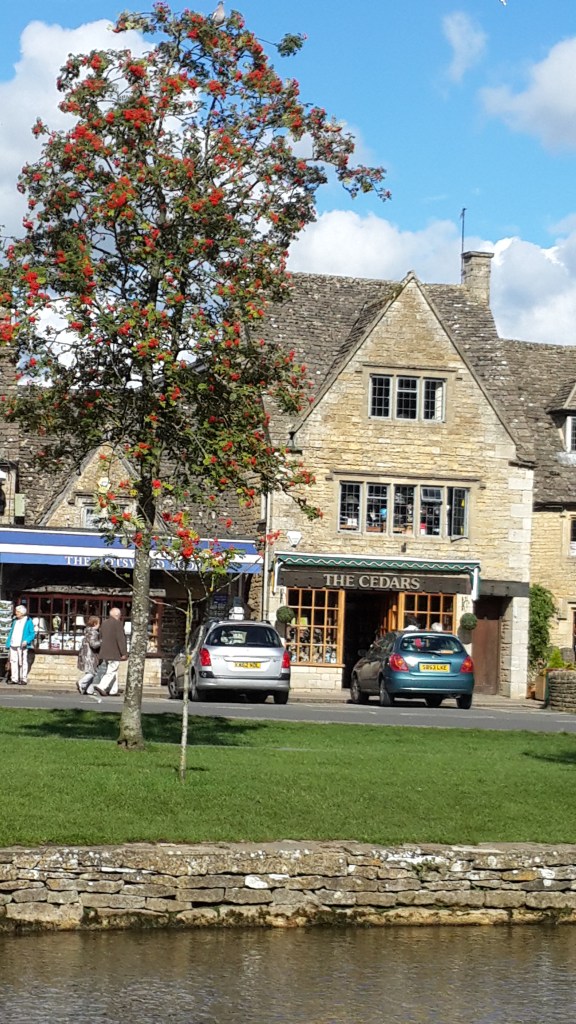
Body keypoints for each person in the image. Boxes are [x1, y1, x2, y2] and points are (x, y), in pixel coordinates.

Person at [94, 607, 128, 696]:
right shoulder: (118, 624)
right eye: (120, 615)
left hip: (105, 651)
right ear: (117, 615)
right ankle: (101, 686)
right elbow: (121, 639)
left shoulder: (104, 623)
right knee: (112, 671)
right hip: (114, 652)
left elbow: (100, 637)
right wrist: (124, 653)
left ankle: (113, 690)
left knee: (114, 671)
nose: (120, 616)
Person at [5, 604, 35, 685]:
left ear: (22, 613)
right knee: (13, 661)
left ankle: (23, 678)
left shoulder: (28, 621)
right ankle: (14, 678)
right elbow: (12, 632)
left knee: (22, 662)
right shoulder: (15, 621)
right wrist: (8, 643)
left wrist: (26, 641)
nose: (16, 613)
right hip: (13, 643)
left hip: (22, 644)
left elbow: (32, 634)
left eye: (17, 611)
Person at [76, 616, 101, 697]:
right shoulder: (93, 632)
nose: (99, 625)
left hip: (85, 653)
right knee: (92, 672)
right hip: (90, 655)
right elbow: (93, 645)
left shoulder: (87, 631)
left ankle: (89, 690)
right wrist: (101, 641)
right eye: (98, 623)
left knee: (89, 671)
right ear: (95, 623)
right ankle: (82, 682)